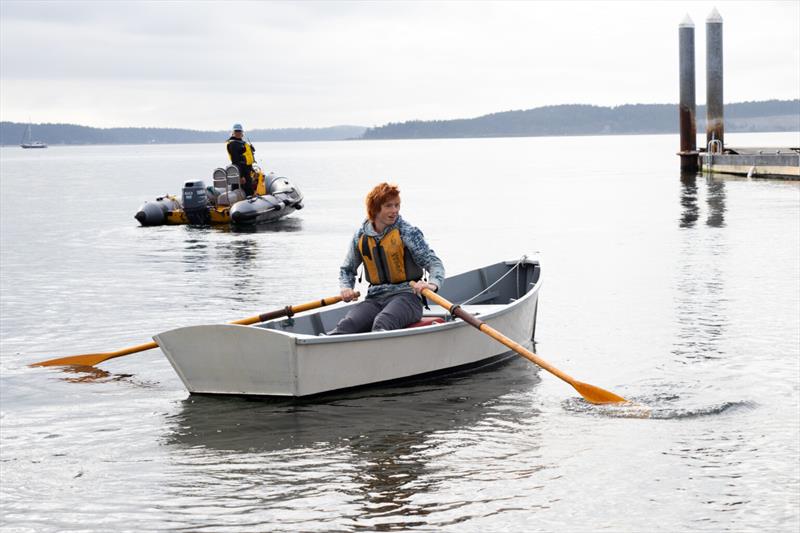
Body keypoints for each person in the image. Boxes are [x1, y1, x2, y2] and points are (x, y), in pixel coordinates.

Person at [328, 182, 444, 335]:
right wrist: (346, 287)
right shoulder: (360, 236)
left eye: (397, 205)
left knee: (383, 322)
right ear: (375, 209)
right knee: (346, 326)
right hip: (375, 298)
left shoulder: (408, 232)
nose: (394, 210)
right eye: (389, 206)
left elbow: (434, 263)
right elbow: (347, 270)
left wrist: (432, 285)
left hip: (407, 297)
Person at [226, 123, 256, 196]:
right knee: (248, 191)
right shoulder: (233, 144)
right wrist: (240, 176)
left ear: (242, 132)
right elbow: (235, 160)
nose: (238, 133)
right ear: (233, 133)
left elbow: (246, 157)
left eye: (240, 131)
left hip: (246, 169)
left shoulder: (241, 142)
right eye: (236, 131)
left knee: (247, 189)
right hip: (241, 170)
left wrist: (252, 169)